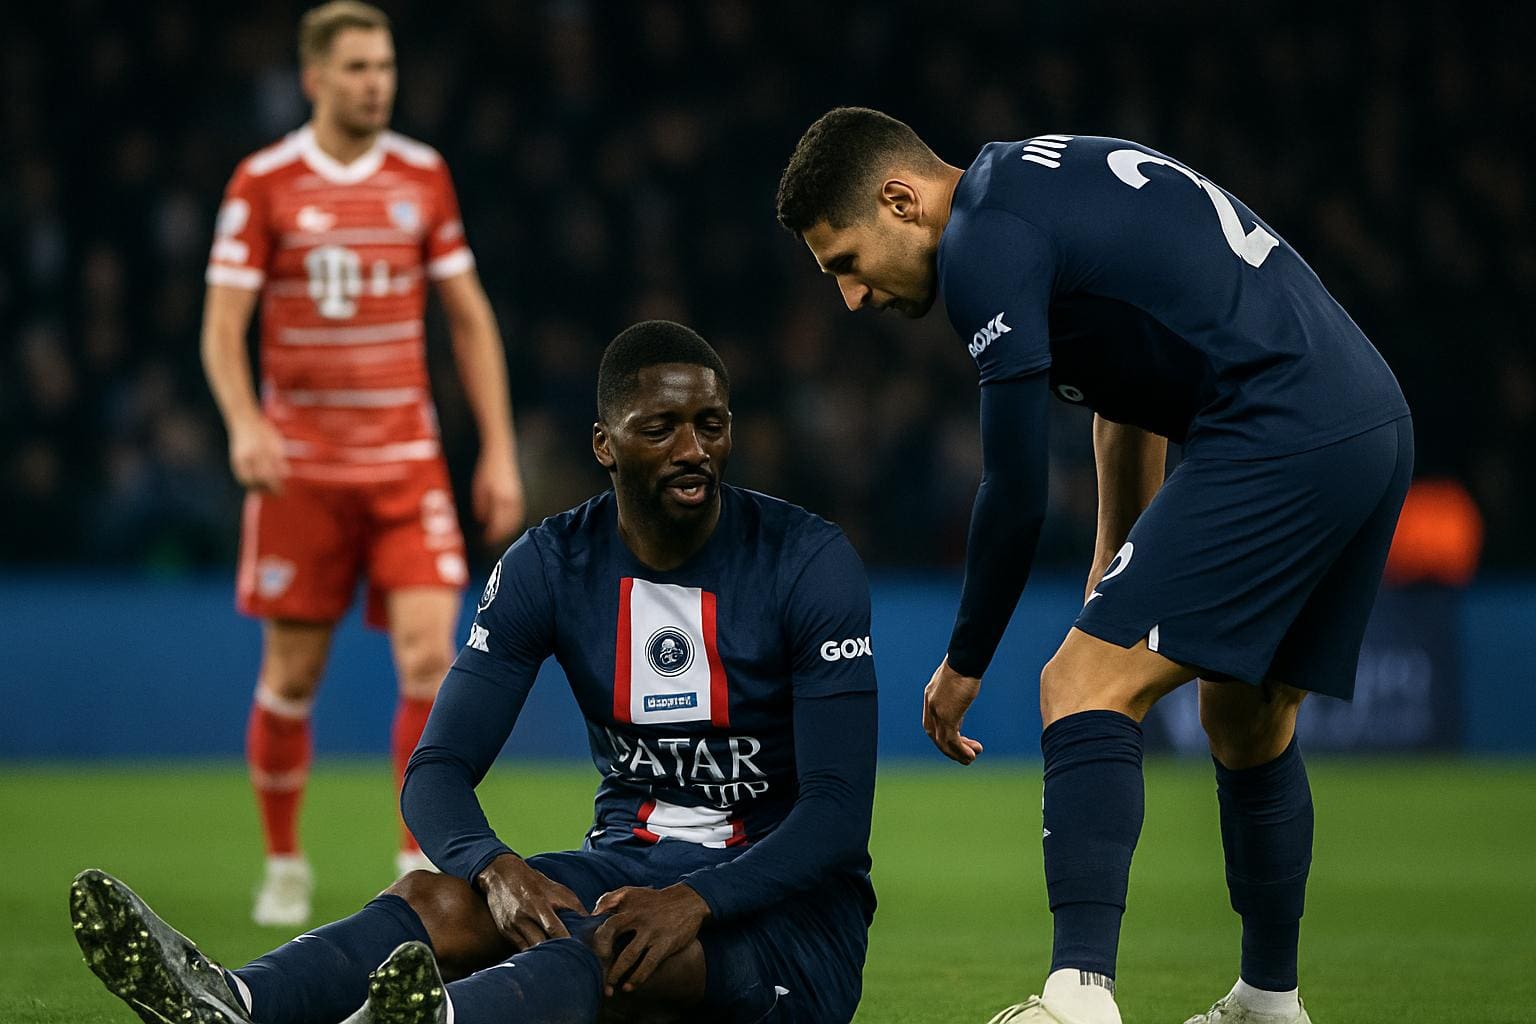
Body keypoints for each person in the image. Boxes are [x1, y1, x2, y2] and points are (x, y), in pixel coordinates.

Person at [775, 107, 1412, 1024]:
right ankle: (1271, 1002)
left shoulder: (983, 245)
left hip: (1278, 424)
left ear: (901, 200)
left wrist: (964, 661)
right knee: (1248, 714)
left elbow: (1015, 490)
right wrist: (1115, 560)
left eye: (845, 263)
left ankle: (1079, 1001)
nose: (851, 297)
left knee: (1078, 687)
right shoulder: (1034, 186)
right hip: (1367, 421)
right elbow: (1128, 396)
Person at [72, 320, 879, 1024]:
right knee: (435, 897)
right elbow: (437, 769)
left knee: (607, 950)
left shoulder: (807, 562)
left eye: (711, 423)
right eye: (661, 427)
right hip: (625, 867)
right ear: (605, 445)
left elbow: (838, 816)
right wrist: (495, 869)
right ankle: (234, 1003)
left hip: (790, 917)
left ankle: (431, 1019)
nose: (694, 449)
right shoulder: (550, 566)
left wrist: (697, 899)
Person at [200, 0, 525, 925]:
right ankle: (283, 861)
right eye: (356, 67)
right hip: (298, 469)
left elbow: (468, 316)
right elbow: (223, 325)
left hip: (405, 464)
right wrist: (242, 424)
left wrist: (496, 448)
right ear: (314, 78)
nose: (375, 81)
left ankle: (415, 855)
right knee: (293, 676)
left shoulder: (424, 176)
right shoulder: (263, 181)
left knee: (431, 657)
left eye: (384, 65)